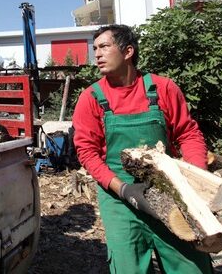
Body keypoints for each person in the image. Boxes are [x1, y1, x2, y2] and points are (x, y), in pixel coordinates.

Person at [72, 24, 212, 274]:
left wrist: (195, 177)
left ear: (127, 51)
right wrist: (124, 189)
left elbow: (187, 134)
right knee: (128, 266)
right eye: (95, 49)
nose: (97, 54)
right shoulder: (91, 97)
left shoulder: (162, 89)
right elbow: (87, 152)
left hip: (167, 189)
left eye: (104, 47)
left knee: (190, 265)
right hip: (118, 197)